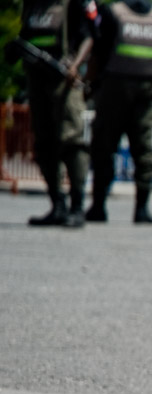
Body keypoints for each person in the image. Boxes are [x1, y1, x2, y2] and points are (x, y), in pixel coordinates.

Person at [84, 0, 152, 224]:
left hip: (114, 88)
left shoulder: (113, 11)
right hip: (146, 87)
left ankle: (99, 207)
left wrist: (89, 85)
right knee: (143, 146)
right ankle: (142, 209)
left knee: (104, 146)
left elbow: (97, 51)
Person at [9, 0, 95, 227]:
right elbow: (26, 35)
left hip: (64, 80)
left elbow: (89, 35)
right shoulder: (32, 5)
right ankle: (57, 204)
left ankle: (77, 207)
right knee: (44, 143)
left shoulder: (71, 4)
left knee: (71, 141)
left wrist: (75, 66)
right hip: (37, 80)